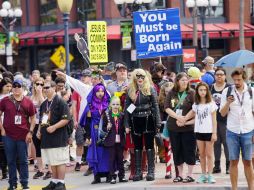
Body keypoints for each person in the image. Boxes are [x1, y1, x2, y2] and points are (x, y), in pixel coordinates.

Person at [220, 68, 254, 190]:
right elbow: (222, 113)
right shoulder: (227, 91)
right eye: (234, 80)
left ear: (244, 78)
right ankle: (234, 188)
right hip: (232, 131)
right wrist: (228, 103)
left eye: (239, 79)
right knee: (233, 161)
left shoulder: (251, 91)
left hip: (248, 130)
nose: (237, 82)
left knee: (248, 162)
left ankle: (251, 188)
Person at [124, 68, 161, 181]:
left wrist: (158, 122)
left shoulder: (150, 88)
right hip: (135, 119)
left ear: (145, 77)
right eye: (138, 76)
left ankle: (150, 171)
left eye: (142, 76)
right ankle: (138, 172)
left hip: (148, 118)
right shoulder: (130, 89)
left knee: (149, 146)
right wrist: (126, 124)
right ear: (134, 78)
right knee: (137, 146)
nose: (140, 79)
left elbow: (155, 106)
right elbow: (127, 109)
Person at [0, 79, 36, 190]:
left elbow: (33, 117)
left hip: (23, 135)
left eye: (18, 86)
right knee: (10, 161)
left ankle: (24, 183)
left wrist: (30, 132)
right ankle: (12, 184)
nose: (16, 88)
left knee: (23, 160)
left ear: (23, 88)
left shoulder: (28, 101)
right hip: (8, 135)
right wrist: (2, 129)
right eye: (14, 86)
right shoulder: (5, 100)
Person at [164, 72, 196, 183]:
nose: (184, 82)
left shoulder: (191, 93)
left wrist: (184, 119)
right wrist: (178, 117)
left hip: (188, 128)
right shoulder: (172, 93)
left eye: (186, 80)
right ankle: (180, 175)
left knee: (189, 150)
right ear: (177, 81)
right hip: (174, 126)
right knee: (177, 151)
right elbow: (167, 108)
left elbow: (195, 108)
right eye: (182, 80)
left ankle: (190, 174)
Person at [40, 81, 71, 190]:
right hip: (47, 137)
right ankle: (54, 181)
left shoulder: (60, 101)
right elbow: (42, 119)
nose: (45, 89)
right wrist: (39, 131)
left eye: (48, 87)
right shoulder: (44, 104)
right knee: (52, 161)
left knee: (60, 161)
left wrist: (54, 127)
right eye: (44, 88)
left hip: (59, 136)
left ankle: (61, 183)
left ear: (54, 88)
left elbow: (66, 119)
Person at [184, 82, 217, 183]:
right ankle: (203, 174)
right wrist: (184, 120)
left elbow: (214, 120)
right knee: (201, 154)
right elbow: (193, 115)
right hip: (199, 131)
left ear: (207, 91)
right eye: (200, 90)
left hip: (209, 132)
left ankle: (210, 175)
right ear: (197, 92)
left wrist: (214, 133)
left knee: (209, 154)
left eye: (204, 90)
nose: (203, 92)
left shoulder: (211, 103)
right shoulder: (196, 104)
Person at [79, 83, 111, 184]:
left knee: (106, 153)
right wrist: (88, 136)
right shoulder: (90, 105)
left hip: (106, 131)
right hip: (94, 131)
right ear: (94, 92)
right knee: (96, 153)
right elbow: (87, 122)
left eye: (102, 91)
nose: (100, 93)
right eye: (98, 91)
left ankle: (108, 175)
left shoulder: (109, 103)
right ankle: (97, 176)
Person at [102, 96, 128, 184]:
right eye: (113, 104)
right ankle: (112, 177)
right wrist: (107, 127)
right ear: (110, 105)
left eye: (117, 104)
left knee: (120, 159)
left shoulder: (122, 115)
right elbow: (103, 128)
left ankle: (122, 176)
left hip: (120, 140)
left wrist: (127, 128)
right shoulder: (107, 115)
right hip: (111, 141)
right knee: (112, 159)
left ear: (120, 105)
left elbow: (123, 127)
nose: (115, 106)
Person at [210, 68, 230, 174]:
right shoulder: (211, 87)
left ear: (225, 76)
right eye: (217, 74)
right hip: (213, 120)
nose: (219, 76)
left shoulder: (229, 88)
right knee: (216, 143)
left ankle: (228, 165)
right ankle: (217, 165)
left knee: (226, 143)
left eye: (221, 74)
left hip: (226, 119)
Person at [72, 69, 92, 172]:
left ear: (91, 77)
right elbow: (74, 106)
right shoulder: (77, 90)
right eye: (83, 76)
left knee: (90, 141)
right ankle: (78, 162)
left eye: (87, 76)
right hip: (80, 120)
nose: (84, 78)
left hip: (90, 119)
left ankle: (90, 163)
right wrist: (75, 120)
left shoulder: (93, 89)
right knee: (79, 142)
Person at [158, 81, 177, 179]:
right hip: (165, 125)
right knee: (167, 149)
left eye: (170, 91)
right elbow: (160, 115)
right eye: (166, 91)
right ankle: (168, 170)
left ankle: (178, 171)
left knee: (176, 149)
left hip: (176, 125)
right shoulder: (161, 102)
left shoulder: (176, 100)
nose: (168, 93)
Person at [30, 78, 47, 180]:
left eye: (42, 84)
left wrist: (40, 93)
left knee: (45, 147)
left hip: (43, 124)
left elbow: (45, 107)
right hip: (34, 124)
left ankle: (49, 169)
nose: (39, 86)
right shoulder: (31, 97)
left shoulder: (44, 96)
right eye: (37, 84)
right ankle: (40, 170)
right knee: (37, 147)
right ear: (34, 85)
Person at [0, 77, 12, 180]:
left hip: (10, 126)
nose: (8, 88)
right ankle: (4, 171)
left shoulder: (12, 96)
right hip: (1, 126)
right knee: (2, 149)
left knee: (8, 149)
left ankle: (7, 171)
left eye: (10, 86)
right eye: (6, 86)